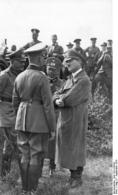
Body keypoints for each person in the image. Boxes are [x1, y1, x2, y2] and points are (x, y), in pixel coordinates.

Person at [12, 43, 56, 195]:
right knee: (36, 154)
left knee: (24, 154)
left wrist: (20, 118)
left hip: (21, 120)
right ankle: (32, 189)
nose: (45, 59)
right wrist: (52, 127)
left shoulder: (19, 76)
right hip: (38, 121)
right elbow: (48, 106)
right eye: (43, 56)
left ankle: (25, 188)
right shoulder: (42, 78)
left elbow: (15, 103)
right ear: (37, 57)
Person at [53, 49, 91, 189]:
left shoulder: (83, 80)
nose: (66, 63)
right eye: (66, 61)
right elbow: (56, 94)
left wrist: (60, 100)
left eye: (70, 60)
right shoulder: (70, 79)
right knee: (69, 147)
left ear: (79, 61)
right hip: (66, 118)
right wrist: (57, 100)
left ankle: (77, 178)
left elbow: (70, 99)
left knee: (76, 146)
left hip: (76, 119)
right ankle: (73, 176)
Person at [0, 50, 25, 180]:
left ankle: (4, 176)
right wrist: (0, 110)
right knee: (19, 145)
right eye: (20, 62)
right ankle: (25, 179)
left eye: (23, 61)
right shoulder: (4, 76)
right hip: (7, 114)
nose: (23, 64)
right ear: (12, 61)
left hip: (17, 112)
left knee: (8, 146)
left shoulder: (20, 74)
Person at [46, 57, 64, 176]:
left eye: (54, 69)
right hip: (42, 114)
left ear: (58, 70)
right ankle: (42, 166)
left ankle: (52, 166)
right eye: (49, 69)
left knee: (53, 141)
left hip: (56, 114)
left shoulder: (62, 83)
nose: (51, 71)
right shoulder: (41, 80)